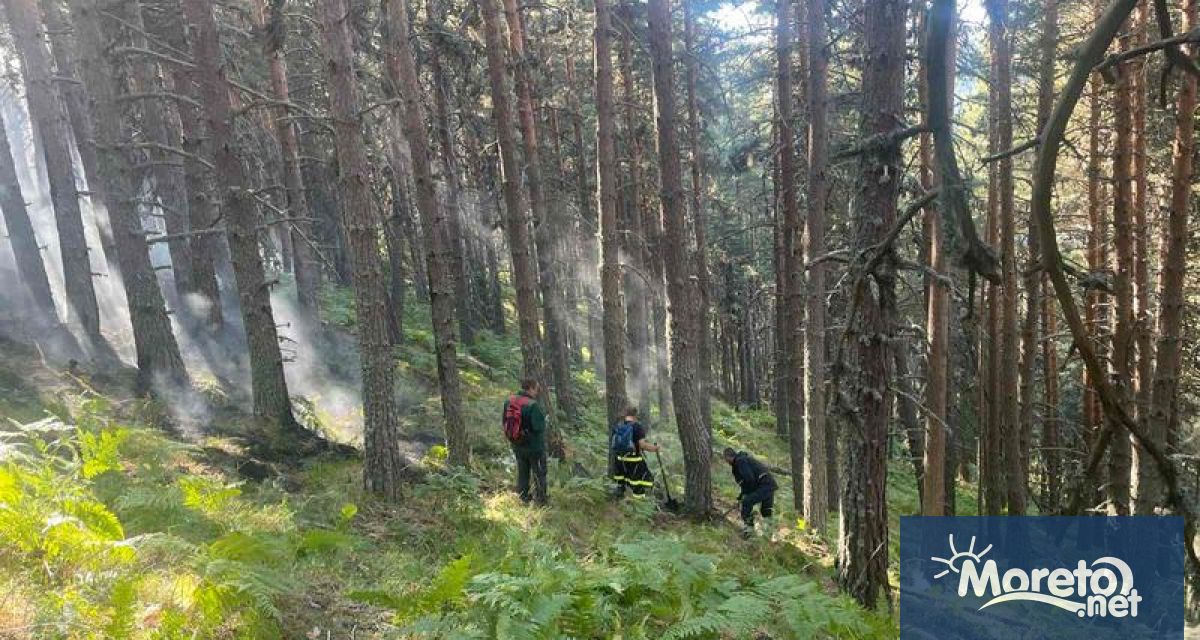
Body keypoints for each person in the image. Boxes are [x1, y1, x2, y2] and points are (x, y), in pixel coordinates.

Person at [504, 379, 548, 505]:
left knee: (523, 473)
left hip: (517, 444)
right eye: (536, 388)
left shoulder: (509, 401)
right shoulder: (532, 405)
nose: (537, 392)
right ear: (531, 388)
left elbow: (505, 421)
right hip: (534, 447)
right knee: (539, 473)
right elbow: (538, 427)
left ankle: (523, 498)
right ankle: (541, 500)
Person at [723, 448, 777, 535]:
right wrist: (741, 496)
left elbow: (749, 479)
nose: (726, 462)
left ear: (728, 457)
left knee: (747, 502)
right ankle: (769, 534)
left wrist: (746, 495)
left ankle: (749, 531)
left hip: (764, 485)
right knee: (766, 511)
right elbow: (745, 483)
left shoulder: (740, 462)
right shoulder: (743, 459)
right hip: (769, 484)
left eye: (725, 459)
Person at [611, 406, 660, 498]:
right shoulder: (637, 426)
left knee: (621, 484)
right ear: (635, 415)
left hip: (619, 461)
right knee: (639, 483)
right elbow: (642, 445)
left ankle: (618, 503)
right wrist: (654, 448)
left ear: (625, 414)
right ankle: (639, 505)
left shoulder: (618, 426)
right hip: (634, 461)